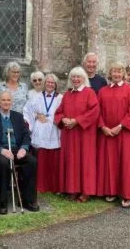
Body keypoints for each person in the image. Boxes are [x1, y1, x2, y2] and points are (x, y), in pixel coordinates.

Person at [0, 91, 39, 214]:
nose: (6, 102)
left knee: (31, 161)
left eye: (8, 100)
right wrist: (1, 150)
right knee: (3, 163)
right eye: (3, 100)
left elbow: (26, 134)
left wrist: (24, 148)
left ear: (12, 103)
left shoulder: (18, 116)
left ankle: (27, 200)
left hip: (17, 149)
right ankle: (2, 202)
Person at [96, 62, 130, 208]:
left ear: (123, 74)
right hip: (107, 133)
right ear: (110, 74)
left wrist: (120, 126)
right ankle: (111, 191)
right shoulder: (103, 91)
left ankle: (126, 194)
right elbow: (97, 111)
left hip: (123, 133)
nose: (116, 74)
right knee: (109, 162)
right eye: (114, 72)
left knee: (125, 163)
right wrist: (102, 127)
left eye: (119, 72)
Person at [54, 67, 99, 202]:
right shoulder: (67, 94)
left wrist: (77, 121)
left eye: (78, 77)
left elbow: (94, 111)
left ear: (84, 78)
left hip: (84, 134)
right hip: (69, 134)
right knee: (72, 161)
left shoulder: (89, 93)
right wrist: (63, 119)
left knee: (84, 161)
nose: (75, 79)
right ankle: (73, 189)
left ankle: (86, 191)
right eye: (73, 77)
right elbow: (59, 111)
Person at [23, 74, 63, 193]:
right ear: (44, 84)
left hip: (54, 129)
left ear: (56, 85)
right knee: (41, 158)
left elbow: (65, 111)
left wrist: (56, 118)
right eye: (48, 82)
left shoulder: (60, 97)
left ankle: (53, 186)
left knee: (53, 160)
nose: (50, 84)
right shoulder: (37, 96)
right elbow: (27, 110)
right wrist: (36, 115)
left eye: (52, 83)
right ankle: (41, 185)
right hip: (40, 128)